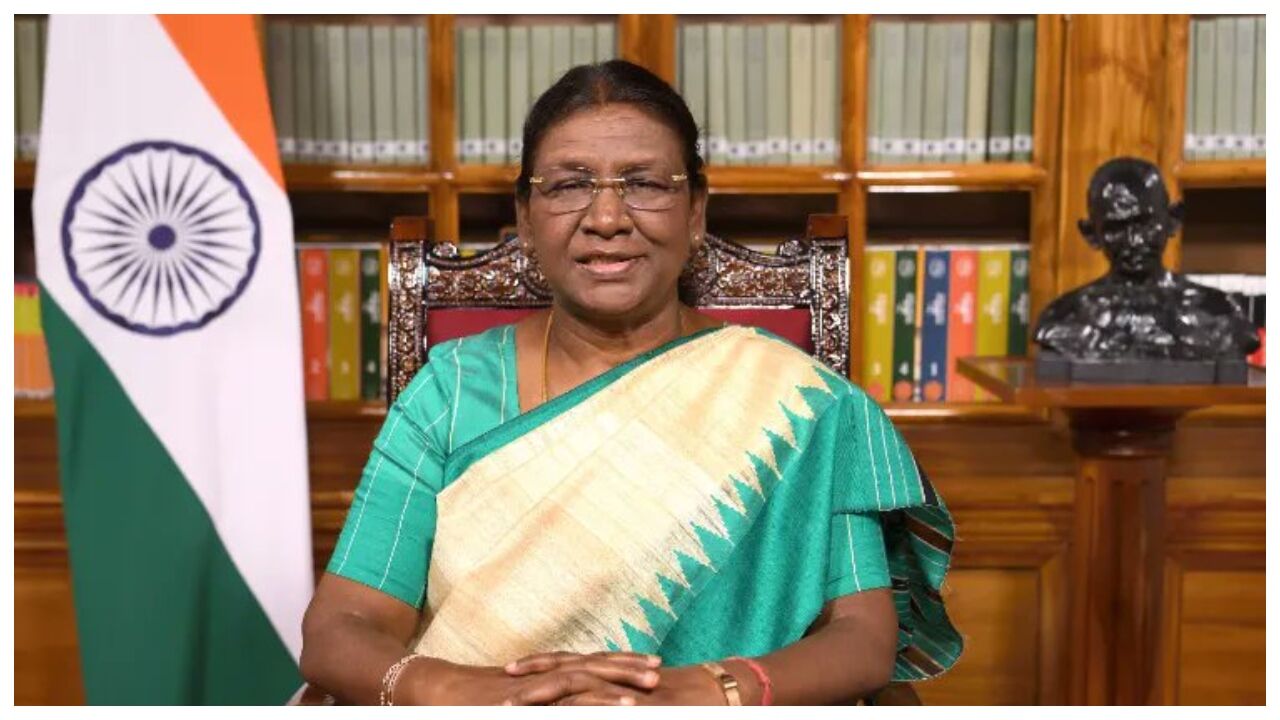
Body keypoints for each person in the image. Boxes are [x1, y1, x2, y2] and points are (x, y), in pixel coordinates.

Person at [299, 60, 960, 706]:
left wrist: (704, 689)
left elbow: (861, 638)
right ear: (525, 217)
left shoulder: (797, 403)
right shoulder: (450, 392)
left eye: (644, 183)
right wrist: (468, 690)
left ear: (695, 212)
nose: (608, 218)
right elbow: (341, 627)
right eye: (569, 185)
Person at [1035, 156, 1260, 360]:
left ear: (1172, 221)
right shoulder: (1064, 317)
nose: (1134, 241)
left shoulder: (1220, 312)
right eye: (1117, 228)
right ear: (1091, 234)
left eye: (1146, 225)